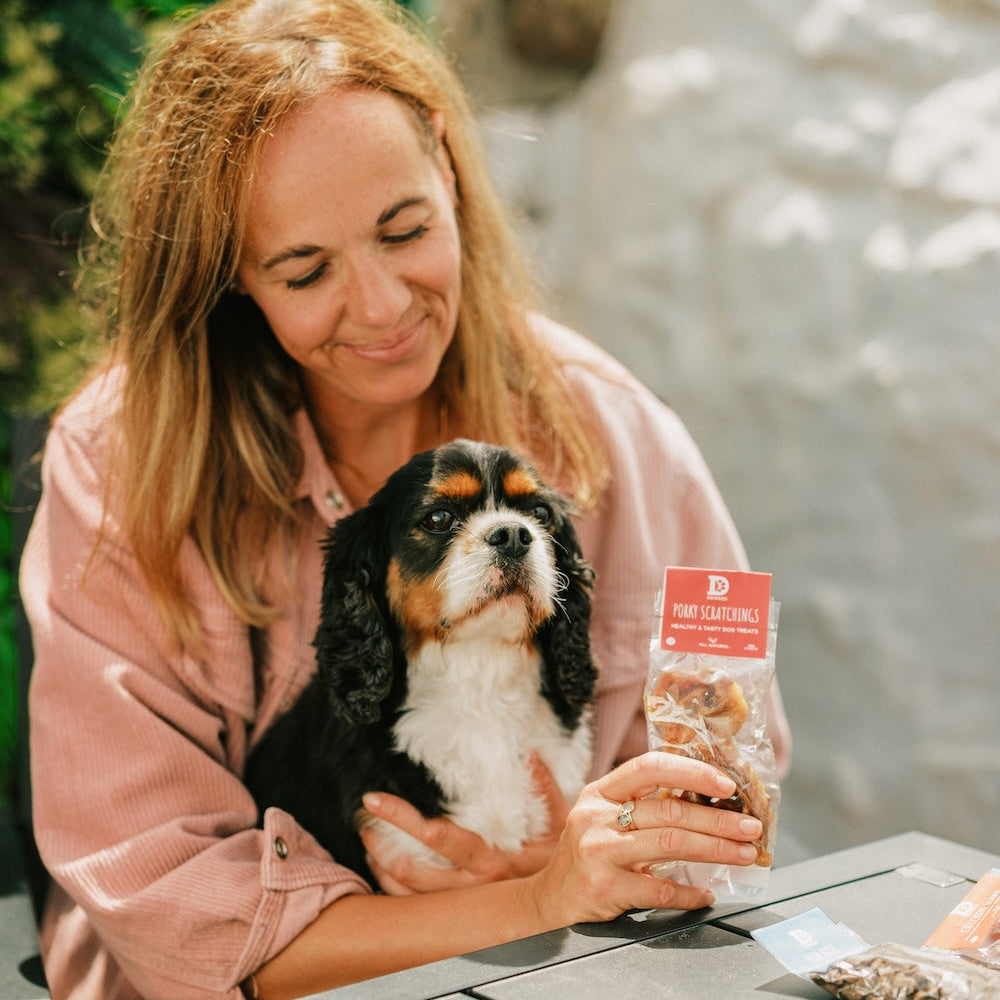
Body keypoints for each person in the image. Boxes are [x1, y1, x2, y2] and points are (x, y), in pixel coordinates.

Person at [21, 0, 792, 997]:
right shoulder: (120, 462)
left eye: (405, 229)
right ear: (230, 278)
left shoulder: (605, 434)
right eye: (305, 271)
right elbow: (174, 917)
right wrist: (526, 900)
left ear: (448, 163)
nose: (382, 307)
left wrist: (600, 864)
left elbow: (731, 805)